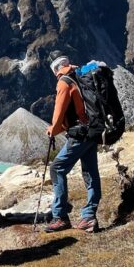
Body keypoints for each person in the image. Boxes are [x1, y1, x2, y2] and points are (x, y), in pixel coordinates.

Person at [43, 56, 101, 234]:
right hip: (92, 130)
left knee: (57, 168)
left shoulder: (64, 82)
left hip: (79, 134)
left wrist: (52, 130)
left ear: (56, 71)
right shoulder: (80, 76)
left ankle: (60, 217)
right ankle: (89, 216)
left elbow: (59, 113)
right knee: (90, 172)